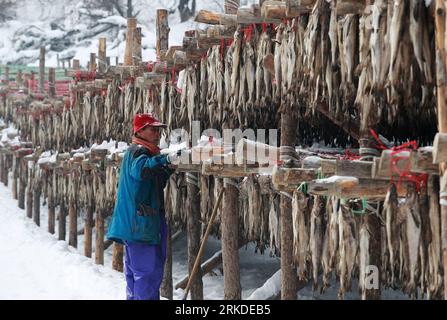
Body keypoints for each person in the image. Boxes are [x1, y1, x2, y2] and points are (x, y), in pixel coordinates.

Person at [107, 113, 180, 300]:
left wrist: (167, 169)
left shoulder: (141, 152)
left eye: (159, 130)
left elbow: (151, 181)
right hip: (140, 226)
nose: (157, 134)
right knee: (147, 276)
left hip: (139, 226)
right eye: (153, 129)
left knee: (136, 277)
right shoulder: (139, 152)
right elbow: (141, 170)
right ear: (140, 131)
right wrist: (166, 160)